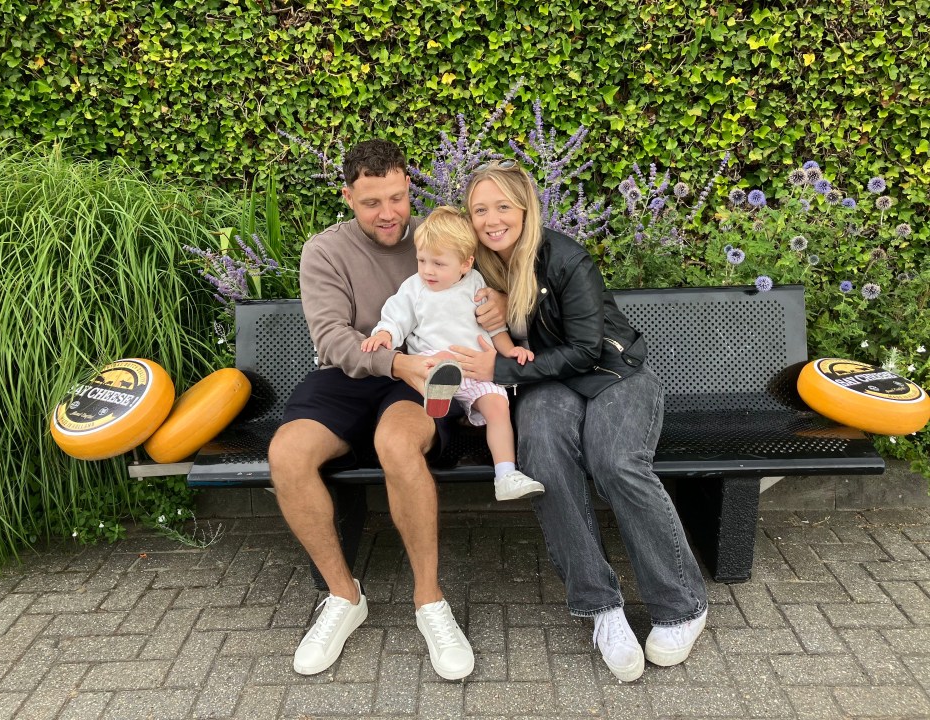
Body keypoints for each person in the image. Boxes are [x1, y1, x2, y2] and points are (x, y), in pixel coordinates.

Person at [451, 160, 709, 683]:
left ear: (526, 207)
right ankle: (601, 608)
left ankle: (682, 604)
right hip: (547, 386)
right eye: (480, 209)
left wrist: (499, 367)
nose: (492, 219)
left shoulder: (566, 257)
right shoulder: (475, 265)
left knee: (616, 462)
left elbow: (588, 349)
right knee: (544, 460)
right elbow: (425, 269)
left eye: (503, 206)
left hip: (613, 373)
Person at [269, 139, 504, 681]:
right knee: (287, 454)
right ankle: (343, 596)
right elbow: (331, 339)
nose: (389, 214)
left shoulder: (435, 237)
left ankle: (429, 602)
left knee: (396, 444)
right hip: (353, 375)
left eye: (398, 198)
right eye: (373, 202)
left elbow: (492, 279)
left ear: (408, 189)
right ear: (349, 196)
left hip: (427, 374)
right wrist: (396, 364)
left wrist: (494, 305)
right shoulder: (324, 251)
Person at [361, 206, 546, 501]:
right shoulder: (414, 288)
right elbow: (397, 317)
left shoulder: (476, 284)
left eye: (437, 263)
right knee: (439, 365)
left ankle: (506, 474)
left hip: (476, 366)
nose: (427, 270)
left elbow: (494, 326)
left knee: (498, 408)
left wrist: (511, 351)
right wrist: (385, 335)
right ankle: (438, 396)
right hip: (434, 362)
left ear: (465, 263)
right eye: (421, 260)